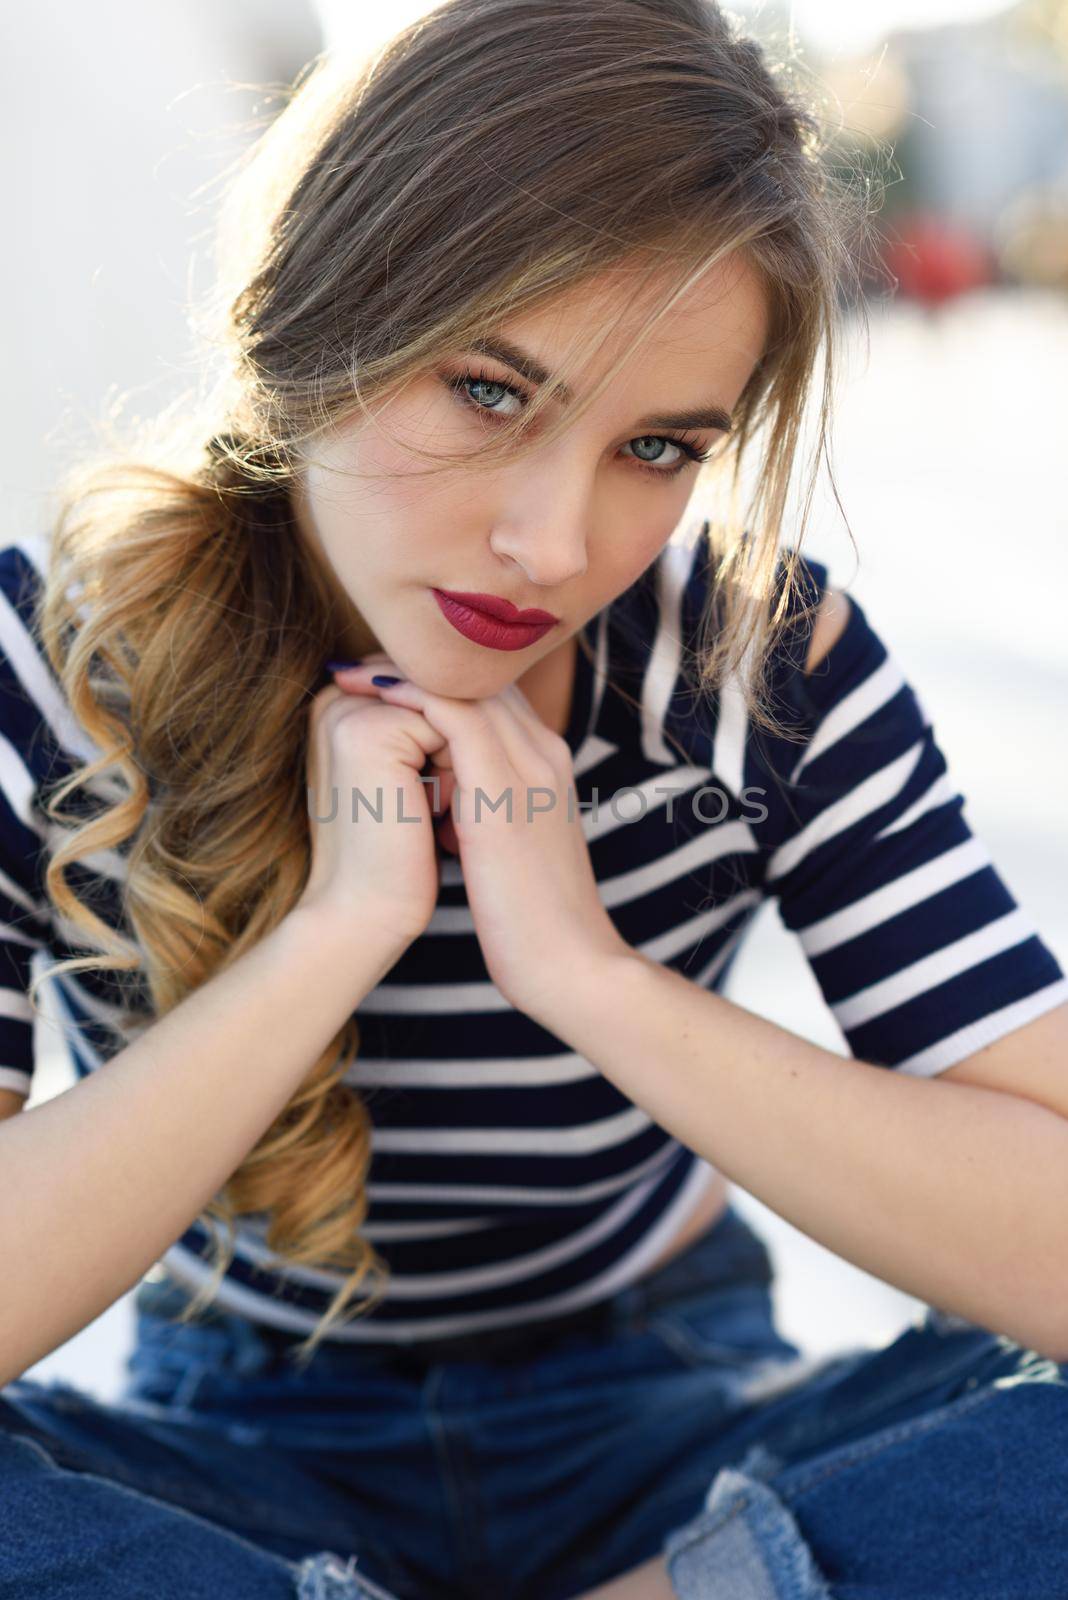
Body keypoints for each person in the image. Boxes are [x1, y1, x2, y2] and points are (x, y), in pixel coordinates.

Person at [2, 1, 1067, 1596]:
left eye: (656, 446)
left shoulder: (749, 664)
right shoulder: (61, 663)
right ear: (309, 317)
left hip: (678, 1432)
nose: (557, 547)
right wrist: (329, 942)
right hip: (233, 1460)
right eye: (490, 393)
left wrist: (583, 973)